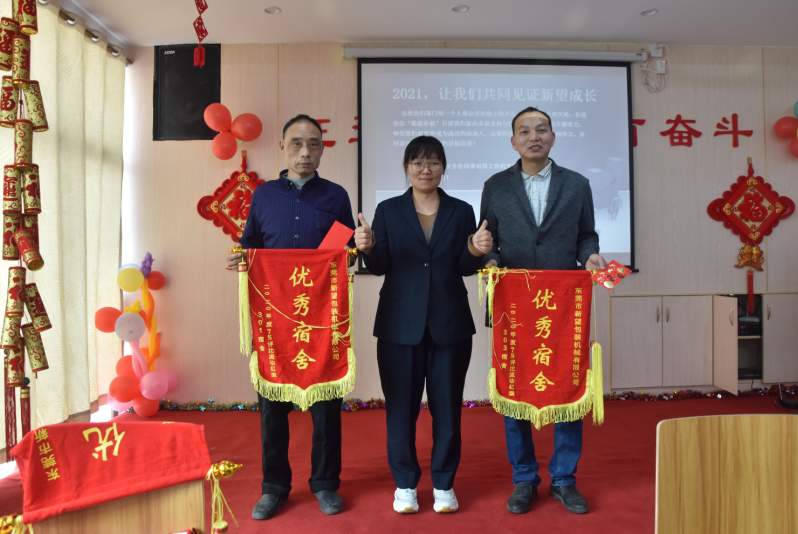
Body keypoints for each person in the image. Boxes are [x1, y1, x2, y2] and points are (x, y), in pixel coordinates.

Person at [354, 136, 493, 514]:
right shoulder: (389, 210)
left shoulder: (461, 210)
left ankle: (444, 485)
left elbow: (464, 267)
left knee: (447, 411)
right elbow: (381, 266)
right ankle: (405, 485)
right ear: (406, 168)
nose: (425, 169)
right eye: (417, 163)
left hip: (450, 324)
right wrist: (368, 248)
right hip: (399, 326)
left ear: (443, 168)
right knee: (401, 411)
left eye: (433, 162)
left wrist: (475, 250)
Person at [226, 114, 355, 520]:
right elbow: (250, 244)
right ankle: (275, 487)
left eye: (314, 143)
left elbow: (343, 254)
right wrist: (241, 259)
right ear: (282, 147)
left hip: (321, 320)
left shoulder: (336, 196)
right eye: (297, 143)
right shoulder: (264, 196)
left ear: (322, 148)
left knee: (326, 408)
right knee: (271, 408)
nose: (305, 151)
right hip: (276, 319)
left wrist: (357, 251)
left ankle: (325, 483)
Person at [479, 107, 606, 515]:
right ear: (513, 141)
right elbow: (488, 239)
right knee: (514, 387)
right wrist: (490, 261)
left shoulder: (578, 184)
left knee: (567, 386)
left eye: (541, 129)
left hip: (562, 305)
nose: (534, 137)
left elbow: (586, 235)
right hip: (514, 305)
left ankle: (564, 480)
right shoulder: (496, 185)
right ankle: (524, 478)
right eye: (524, 131)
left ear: (552, 137)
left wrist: (590, 256)